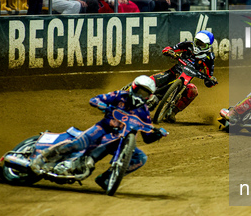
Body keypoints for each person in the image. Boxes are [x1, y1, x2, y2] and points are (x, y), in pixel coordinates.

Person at [31, 76, 167, 191]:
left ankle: (107, 179)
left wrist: (158, 133)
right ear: (133, 87)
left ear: (149, 96)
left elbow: (147, 136)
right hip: (103, 130)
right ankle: (42, 158)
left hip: (120, 140)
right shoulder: (120, 96)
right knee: (77, 144)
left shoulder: (144, 112)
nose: (140, 96)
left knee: (140, 158)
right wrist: (102, 105)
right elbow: (95, 99)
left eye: (145, 94)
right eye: (139, 91)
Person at [151, 31, 218, 122]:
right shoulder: (188, 45)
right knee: (150, 80)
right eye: (197, 43)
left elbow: (209, 78)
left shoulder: (209, 58)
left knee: (192, 91)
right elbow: (168, 49)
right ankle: (130, 90)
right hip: (172, 73)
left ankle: (173, 112)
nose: (198, 46)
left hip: (186, 81)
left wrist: (211, 80)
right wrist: (169, 52)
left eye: (201, 45)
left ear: (208, 46)